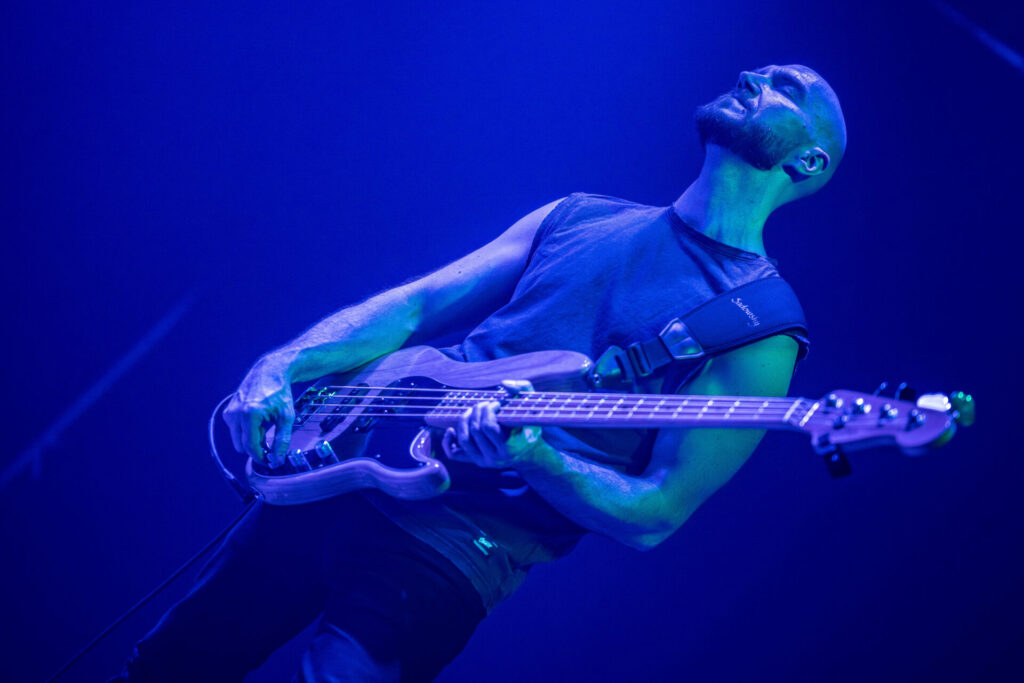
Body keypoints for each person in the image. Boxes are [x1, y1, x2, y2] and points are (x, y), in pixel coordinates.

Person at [113, 64, 847, 681]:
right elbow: (419, 306)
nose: (751, 77)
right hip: (338, 468)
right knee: (165, 667)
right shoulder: (578, 215)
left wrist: (535, 454)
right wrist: (282, 363)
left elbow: (656, 512)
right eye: (758, 71)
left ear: (807, 161)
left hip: (455, 546)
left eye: (785, 87)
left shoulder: (762, 321)